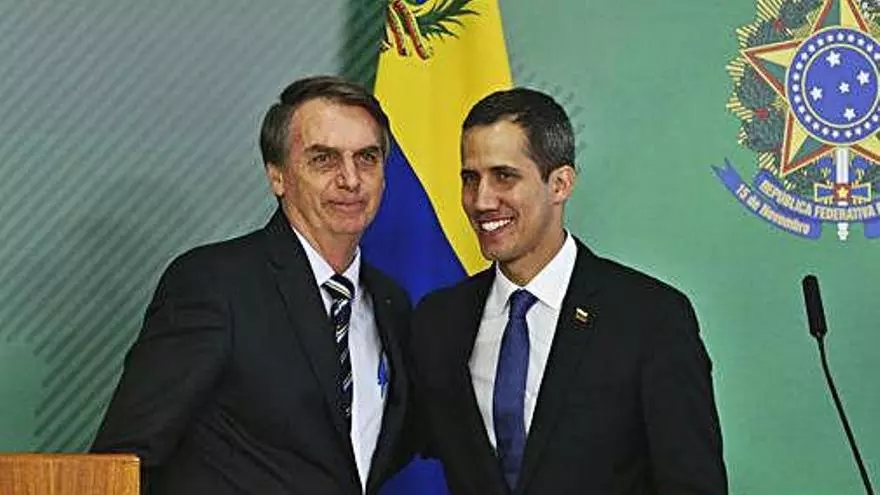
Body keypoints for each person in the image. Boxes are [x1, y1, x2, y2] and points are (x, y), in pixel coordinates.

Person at [91, 76, 413, 495]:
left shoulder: (391, 303)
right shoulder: (214, 285)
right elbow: (122, 463)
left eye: (367, 158)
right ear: (277, 175)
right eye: (324, 159)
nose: (351, 179)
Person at [410, 88, 728, 494]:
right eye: (470, 179)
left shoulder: (650, 319)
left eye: (504, 176)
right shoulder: (439, 320)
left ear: (560, 184)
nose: (482, 200)